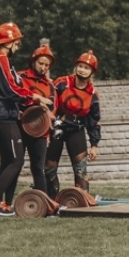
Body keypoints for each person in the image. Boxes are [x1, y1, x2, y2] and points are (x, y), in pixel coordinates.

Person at [0, 22, 35, 217]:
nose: (18, 47)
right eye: (17, 42)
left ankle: (4, 203)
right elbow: (10, 88)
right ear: (9, 41)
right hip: (4, 115)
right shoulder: (1, 59)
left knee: (7, 161)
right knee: (16, 159)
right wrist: (31, 97)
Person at [46, 51, 102, 197]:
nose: (82, 70)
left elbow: (93, 121)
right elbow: (49, 102)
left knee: (80, 168)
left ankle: (83, 200)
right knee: (49, 167)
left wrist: (94, 146)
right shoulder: (62, 83)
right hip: (55, 128)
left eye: (87, 68)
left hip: (76, 129)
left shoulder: (93, 94)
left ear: (92, 72)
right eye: (81, 66)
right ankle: (50, 199)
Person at [18, 41, 56, 199]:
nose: (44, 68)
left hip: (40, 129)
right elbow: (17, 96)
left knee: (38, 167)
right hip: (19, 125)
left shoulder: (50, 84)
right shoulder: (20, 77)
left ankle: (44, 201)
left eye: (47, 65)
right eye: (41, 63)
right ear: (33, 61)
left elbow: (52, 106)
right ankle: (2, 201)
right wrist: (36, 101)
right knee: (15, 164)